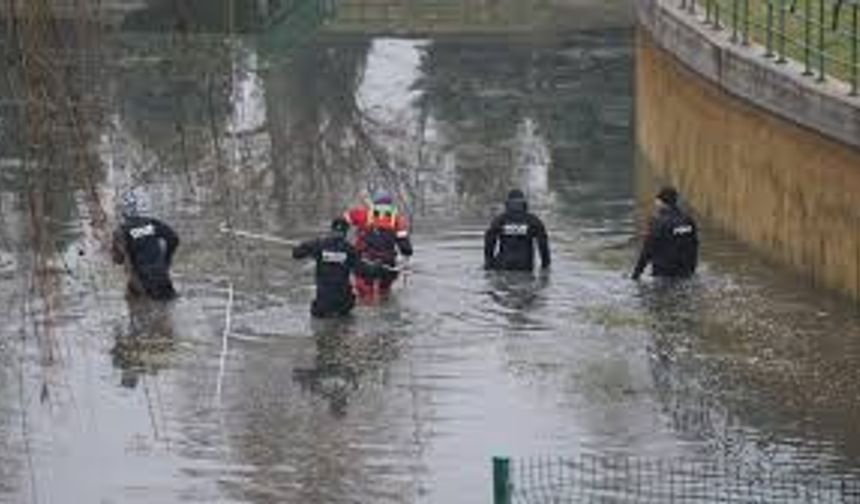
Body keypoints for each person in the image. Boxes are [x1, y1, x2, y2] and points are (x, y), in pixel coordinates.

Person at [292, 217, 385, 318]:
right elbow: (365, 272)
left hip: (322, 305)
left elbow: (296, 254)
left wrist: (304, 246)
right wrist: (378, 266)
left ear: (332, 230)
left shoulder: (319, 245)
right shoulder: (349, 250)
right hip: (342, 305)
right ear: (346, 232)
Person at [343, 189, 413, 298]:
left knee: (365, 293)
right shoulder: (397, 219)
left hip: (365, 261)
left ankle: (368, 306)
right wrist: (406, 256)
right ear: (390, 203)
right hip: (388, 263)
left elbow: (343, 220)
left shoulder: (363, 214)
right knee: (384, 292)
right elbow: (405, 247)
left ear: (374, 202)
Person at [112, 191, 180, 301]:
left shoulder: (121, 231)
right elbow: (174, 239)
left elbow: (118, 260)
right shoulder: (152, 223)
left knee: (137, 309)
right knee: (168, 309)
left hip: (141, 281)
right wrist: (166, 260)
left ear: (123, 212)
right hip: (162, 276)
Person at [631, 186, 699, 280]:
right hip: (686, 272)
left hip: (664, 275)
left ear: (660, 202)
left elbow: (647, 250)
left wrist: (636, 274)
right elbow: (695, 245)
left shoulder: (658, 222)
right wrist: (692, 269)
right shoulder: (688, 220)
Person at [484, 189, 551, 271]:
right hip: (525, 266)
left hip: (503, 265)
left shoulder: (500, 220)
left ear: (507, 204)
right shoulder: (533, 221)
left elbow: (489, 242)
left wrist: (488, 262)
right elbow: (543, 245)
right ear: (524, 204)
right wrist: (545, 266)